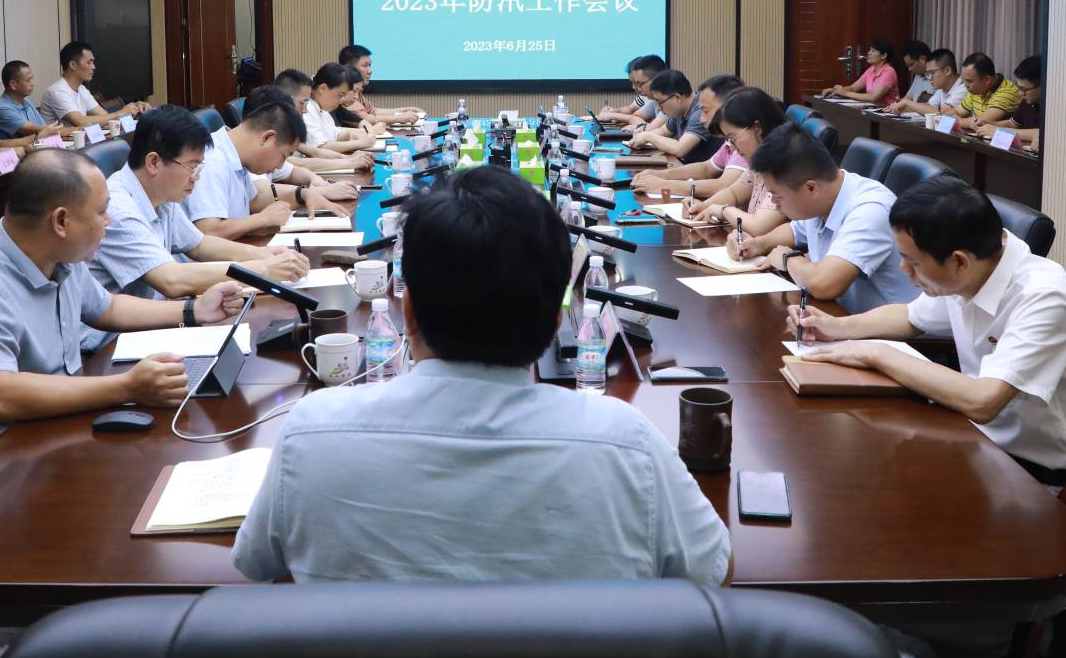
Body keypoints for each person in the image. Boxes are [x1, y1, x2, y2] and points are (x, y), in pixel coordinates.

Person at [232, 164, 732, 585]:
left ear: (408, 313)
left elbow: (255, 568)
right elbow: (716, 572)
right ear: (556, 322)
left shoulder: (312, 433)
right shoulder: (627, 444)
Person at [0, 148, 258, 472]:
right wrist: (127, 387)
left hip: (49, 428)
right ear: (61, 221)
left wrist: (194, 310)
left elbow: (108, 308)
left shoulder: (58, 253)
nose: (109, 220)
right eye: (101, 211)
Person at [795, 174, 1066, 479]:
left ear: (959, 262)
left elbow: (983, 401)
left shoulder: (1043, 296)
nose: (903, 269)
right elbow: (910, 317)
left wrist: (876, 354)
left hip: (1044, 470)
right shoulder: (975, 268)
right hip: (981, 437)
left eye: (913, 262)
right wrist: (835, 327)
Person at [86, 106, 310, 350]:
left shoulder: (160, 194)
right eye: (192, 167)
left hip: (148, 329)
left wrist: (263, 254)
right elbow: (171, 280)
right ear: (153, 162)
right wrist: (264, 270)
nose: (196, 177)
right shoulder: (118, 208)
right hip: (107, 346)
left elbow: (199, 244)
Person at [748, 124, 917, 311]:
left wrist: (787, 258)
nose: (774, 203)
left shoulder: (870, 210)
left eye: (777, 196)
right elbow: (794, 231)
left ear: (810, 188)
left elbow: (823, 285)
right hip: (839, 315)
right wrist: (758, 244)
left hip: (883, 326)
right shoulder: (824, 195)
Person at [186, 96, 314, 240]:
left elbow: (254, 201)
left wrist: (302, 195)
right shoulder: (213, 161)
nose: (279, 166)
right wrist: (262, 219)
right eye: (283, 156)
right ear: (267, 138)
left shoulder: (238, 156)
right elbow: (209, 231)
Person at [688, 87, 790, 237]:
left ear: (757, 127)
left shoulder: (786, 162)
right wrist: (704, 206)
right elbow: (734, 193)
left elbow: (758, 227)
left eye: (733, 137)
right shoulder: (760, 158)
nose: (733, 147)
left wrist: (723, 210)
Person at [244, 84, 358, 211]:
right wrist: (309, 193)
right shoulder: (246, 153)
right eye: (302, 103)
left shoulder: (260, 146)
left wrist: (314, 179)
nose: (305, 110)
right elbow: (259, 194)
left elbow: (291, 171)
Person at [631, 74, 744, 198]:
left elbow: (723, 186)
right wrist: (658, 175)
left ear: (728, 108)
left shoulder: (745, 142)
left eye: (705, 111)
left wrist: (663, 185)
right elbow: (706, 168)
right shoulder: (731, 141)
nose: (701, 119)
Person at [38, 40, 150, 128]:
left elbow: (105, 117)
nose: (93, 67)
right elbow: (80, 122)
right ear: (73, 65)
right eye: (89, 62)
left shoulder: (81, 89)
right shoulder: (57, 91)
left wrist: (132, 107)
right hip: (57, 148)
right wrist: (120, 113)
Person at [627, 70, 722, 163]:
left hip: (707, 170)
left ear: (677, 98)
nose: (659, 107)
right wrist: (641, 136)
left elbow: (680, 149)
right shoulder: (679, 111)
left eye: (660, 101)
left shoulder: (701, 112)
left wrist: (648, 136)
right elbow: (664, 131)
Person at [297, 63, 377, 162]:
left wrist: (352, 134)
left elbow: (335, 134)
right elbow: (321, 148)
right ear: (322, 88)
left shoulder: (322, 108)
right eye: (340, 95)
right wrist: (360, 143)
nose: (340, 100)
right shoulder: (307, 108)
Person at [337, 44, 421, 124]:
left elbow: (373, 111)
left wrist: (404, 110)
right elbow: (366, 118)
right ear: (350, 68)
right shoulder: (346, 93)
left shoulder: (357, 90)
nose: (370, 71)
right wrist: (399, 118)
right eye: (365, 66)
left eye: (370, 65)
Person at [0, 60, 64, 139]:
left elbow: (43, 126)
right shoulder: (2, 108)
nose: (32, 84)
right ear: (13, 84)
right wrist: (65, 130)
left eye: (32, 79)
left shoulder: (27, 102)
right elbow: (35, 130)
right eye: (28, 80)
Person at [886, 48, 967, 118]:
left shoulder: (964, 87)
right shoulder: (942, 88)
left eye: (932, 73)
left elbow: (941, 112)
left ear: (947, 71)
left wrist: (907, 102)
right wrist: (899, 107)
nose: (930, 78)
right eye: (928, 74)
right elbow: (929, 107)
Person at [822, 38, 901, 106]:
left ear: (884, 56)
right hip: (872, 110)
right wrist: (834, 91)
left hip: (887, 113)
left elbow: (873, 98)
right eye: (870, 50)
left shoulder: (889, 72)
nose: (869, 53)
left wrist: (844, 93)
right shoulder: (871, 69)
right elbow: (853, 88)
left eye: (873, 51)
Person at [597, 54, 667, 128]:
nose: (636, 88)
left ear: (657, 80)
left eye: (640, 84)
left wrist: (612, 115)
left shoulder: (670, 100)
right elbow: (634, 117)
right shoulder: (654, 100)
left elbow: (652, 129)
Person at [956, 53, 1023, 130]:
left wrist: (958, 121)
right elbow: (953, 112)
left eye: (969, 81)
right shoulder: (976, 90)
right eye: (964, 80)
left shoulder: (1008, 91)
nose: (965, 85)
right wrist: (963, 122)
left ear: (987, 80)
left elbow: (979, 122)